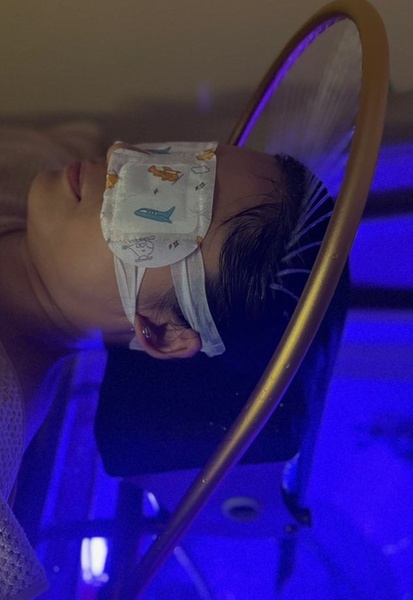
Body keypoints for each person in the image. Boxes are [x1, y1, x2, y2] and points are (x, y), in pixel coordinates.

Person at [0, 125, 349, 598]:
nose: (120, 154)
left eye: (168, 198)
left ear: (161, 332)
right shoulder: (51, 156)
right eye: (172, 157)